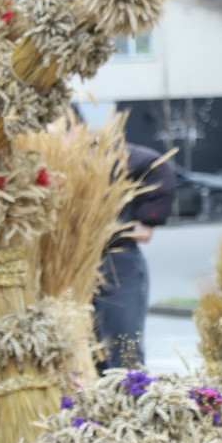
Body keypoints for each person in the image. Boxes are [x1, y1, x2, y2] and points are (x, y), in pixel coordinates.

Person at [93, 142, 176, 371]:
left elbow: (155, 165)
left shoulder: (101, 151)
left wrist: (149, 218)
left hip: (115, 259)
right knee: (84, 353)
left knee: (123, 346)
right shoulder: (40, 153)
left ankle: (129, 401)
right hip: (61, 266)